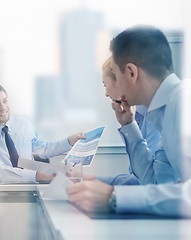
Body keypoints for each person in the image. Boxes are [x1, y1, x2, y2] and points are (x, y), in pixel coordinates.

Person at [67, 25, 191, 216]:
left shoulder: (184, 103)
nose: (111, 89)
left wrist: (115, 196)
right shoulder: (164, 112)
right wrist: (129, 126)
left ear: (132, 73)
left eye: (115, 75)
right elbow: (155, 183)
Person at [0, 83, 85, 183]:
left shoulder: (22, 124)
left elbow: (43, 149)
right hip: (2, 190)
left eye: (5, 101)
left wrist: (69, 141)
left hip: (32, 185)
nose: (3, 107)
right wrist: (40, 176)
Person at [85, 56, 161, 185]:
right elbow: (139, 177)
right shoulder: (138, 116)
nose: (106, 93)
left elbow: (151, 181)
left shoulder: (156, 115)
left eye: (105, 85)